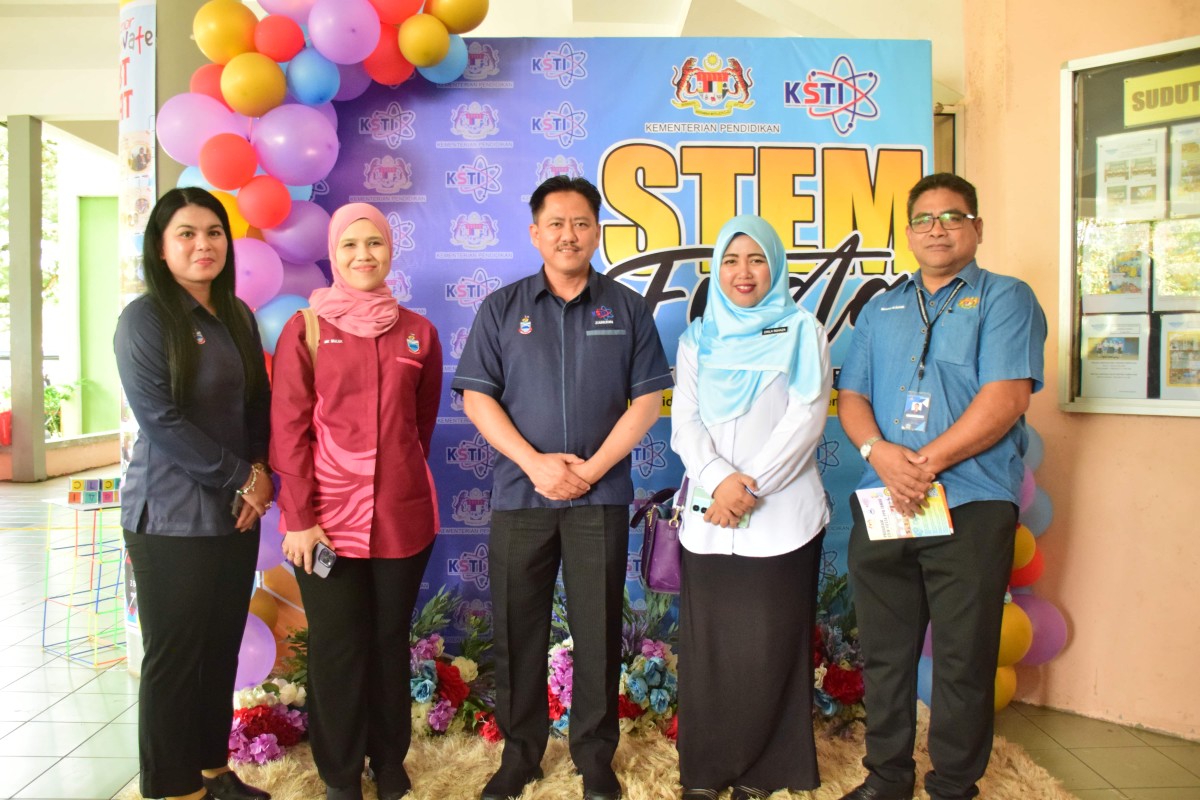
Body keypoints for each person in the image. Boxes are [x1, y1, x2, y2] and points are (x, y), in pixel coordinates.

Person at [452, 176, 673, 800]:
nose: (568, 235)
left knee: (598, 628)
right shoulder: (502, 308)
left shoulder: (627, 308)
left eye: (580, 223)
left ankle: (594, 756)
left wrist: (591, 470)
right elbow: (477, 398)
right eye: (556, 223)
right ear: (535, 233)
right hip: (521, 496)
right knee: (517, 628)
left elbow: (647, 401)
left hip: (598, 500)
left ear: (597, 232)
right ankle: (520, 754)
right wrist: (536, 464)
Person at [836, 173, 1047, 800]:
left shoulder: (1006, 298)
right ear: (908, 233)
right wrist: (879, 454)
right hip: (886, 502)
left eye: (953, 217)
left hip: (972, 501)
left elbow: (1006, 398)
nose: (938, 229)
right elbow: (853, 397)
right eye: (925, 219)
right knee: (885, 652)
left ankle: (953, 784)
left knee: (964, 655)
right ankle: (887, 776)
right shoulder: (882, 308)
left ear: (976, 228)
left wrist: (921, 465)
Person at [269, 203, 443, 800]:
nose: (363, 255)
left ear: (390, 251)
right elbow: (288, 431)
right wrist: (299, 518)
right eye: (350, 244)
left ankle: (389, 763)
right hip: (325, 526)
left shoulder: (419, 332)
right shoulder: (307, 329)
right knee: (338, 649)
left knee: (389, 644)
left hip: (401, 519)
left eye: (374, 243)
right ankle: (341, 775)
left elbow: (419, 427)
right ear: (333, 254)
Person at [114, 187, 273, 800]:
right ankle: (170, 787)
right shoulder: (145, 319)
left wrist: (258, 472)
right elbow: (161, 421)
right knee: (175, 658)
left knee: (218, 650)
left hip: (234, 514)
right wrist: (243, 478)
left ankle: (213, 770)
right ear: (161, 247)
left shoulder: (236, 315)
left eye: (214, 232)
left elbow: (256, 405)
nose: (203, 244)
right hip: (169, 517)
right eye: (186, 233)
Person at [671, 215, 833, 800]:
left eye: (757, 259)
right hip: (710, 518)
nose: (744, 272)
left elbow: (806, 419)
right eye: (732, 260)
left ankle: (765, 771)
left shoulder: (803, 331)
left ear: (776, 266)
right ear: (717, 269)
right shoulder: (698, 339)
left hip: (781, 517)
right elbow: (685, 421)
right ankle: (705, 771)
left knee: (771, 648)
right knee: (709, 651)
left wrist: (747, 488)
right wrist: (719, 482)